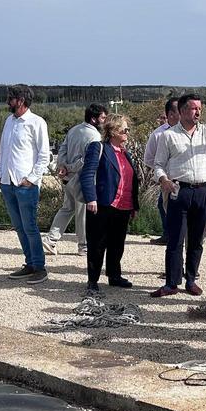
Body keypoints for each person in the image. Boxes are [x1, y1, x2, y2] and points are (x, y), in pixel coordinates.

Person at [150, 92, 206, 297]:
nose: (198, 111)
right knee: (175, 239)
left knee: (197, 239)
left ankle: (191, 280)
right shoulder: (168, 135)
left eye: (200, 108)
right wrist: (163, 180)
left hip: (204, 191)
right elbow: (159, 164)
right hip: (178, 191)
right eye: (193, 108)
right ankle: (171, 283)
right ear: (181, 111)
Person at [0, 85, 50, 283]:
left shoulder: (36, 123)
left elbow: (44, 155)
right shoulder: (9, 121)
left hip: (25, 184)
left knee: (30, 226)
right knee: (19, 226)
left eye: (11, 97)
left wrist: (31, 178)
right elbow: (3, 151)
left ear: (21, 100)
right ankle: (29, 263)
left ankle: (39, 267)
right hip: (7, 182)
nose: (8, 100)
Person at [80, 114, 139, 293]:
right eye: (124, 129)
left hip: (123, 206)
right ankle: (93, 280)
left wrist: (134, 205)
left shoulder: (125, 153)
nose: (127, 132)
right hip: (102, 205)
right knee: (97, 245)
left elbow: (131, 181)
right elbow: (87, 174)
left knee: (117, 244)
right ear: (113, 131)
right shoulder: (98, 148)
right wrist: (91, 198)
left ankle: (114, 275)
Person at [45, 103, 106, 256]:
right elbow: (87, 161)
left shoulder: (74, 129)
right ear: (94, 119)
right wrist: (71, 167)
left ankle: (51, 239)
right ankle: (83, 246)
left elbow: (63, 149)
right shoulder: (95, 137)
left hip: (67, 178)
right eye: (103, 118)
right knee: (82, 214)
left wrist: (63, 166)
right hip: (81, 179)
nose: (105, 121)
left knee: (67, 209)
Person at [142, 97, 180, 246]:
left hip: (186, 177)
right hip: (167, 179)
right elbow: (148, 158)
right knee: (163, 204)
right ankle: (168, 234)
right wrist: (162, 171)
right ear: (171, 114)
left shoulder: (190, 130)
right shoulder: (158, 134)